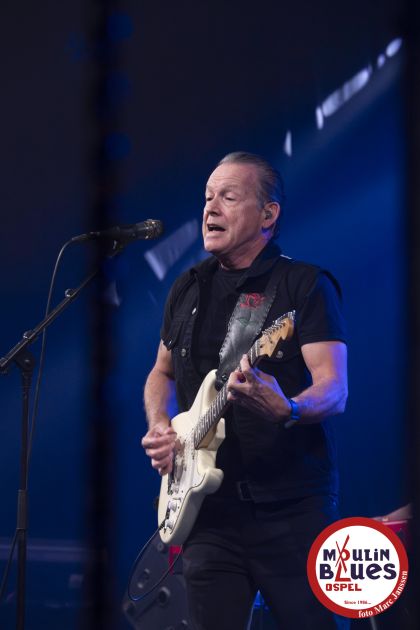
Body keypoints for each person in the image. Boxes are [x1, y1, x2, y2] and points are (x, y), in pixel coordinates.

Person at [141, 152, 349, 629]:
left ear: (268, 215)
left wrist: (289, 407)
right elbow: (161, 372)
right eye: (207, 198)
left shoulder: (303, 285)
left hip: (291, 507)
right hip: (207, 512)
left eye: (228, 198)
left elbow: (335, 389)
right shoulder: (188, 288)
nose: (210, 209)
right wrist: (160, 427)